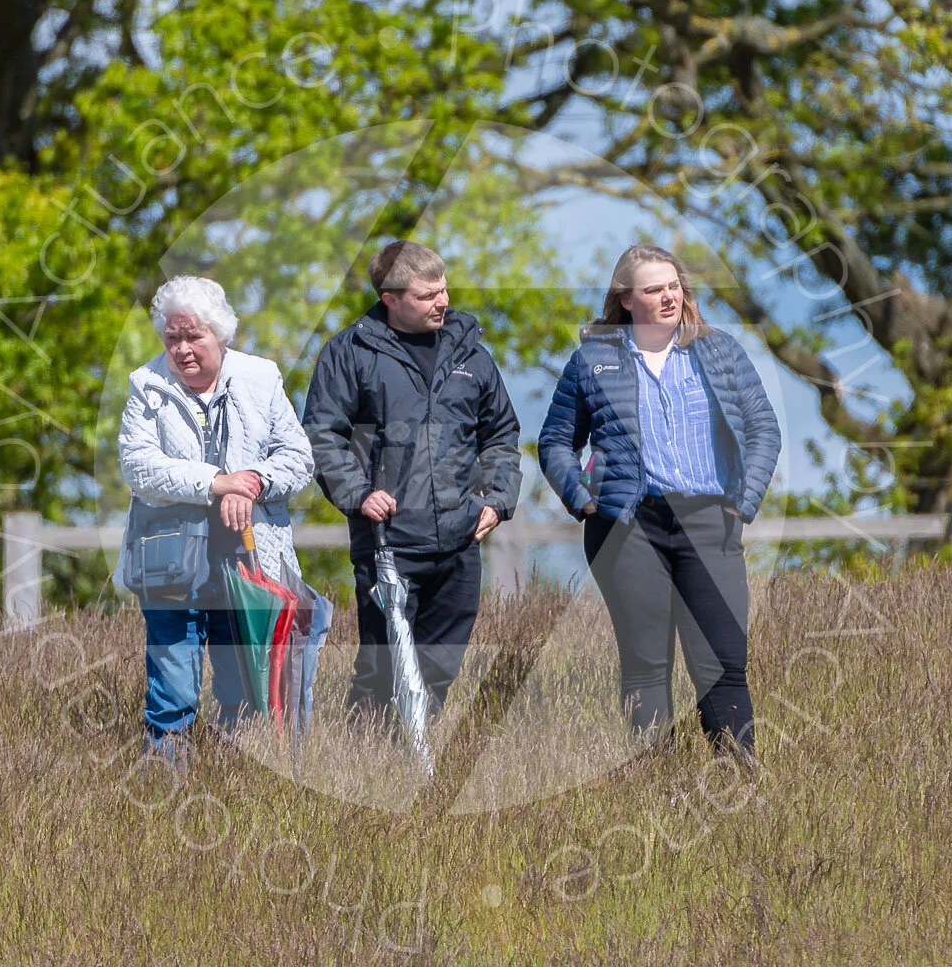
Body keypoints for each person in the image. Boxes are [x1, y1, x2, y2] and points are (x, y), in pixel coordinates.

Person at [537, 243, 781, 759]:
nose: (670, 296)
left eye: (675, 286)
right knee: (646, 665)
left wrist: (743, 501)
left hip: (710, 519)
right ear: (626, 299)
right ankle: (655, 782)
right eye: (654, 289)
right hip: (627, 525)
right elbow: (556, 440)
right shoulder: (592, 360)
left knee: (723, 661)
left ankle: (739, 778)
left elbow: (763, 427)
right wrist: (582, 500)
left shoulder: (719, 351)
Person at [302, 240, 522, 718]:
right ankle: (365, 754)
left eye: (444, 290)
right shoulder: (349, 352)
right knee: (382, 672)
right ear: (391, 299)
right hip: (388, 540)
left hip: (460, 540)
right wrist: (358, 494)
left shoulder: (472, 355)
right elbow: (322, 436)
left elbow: (501, 433)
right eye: (427, 295)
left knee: (438, 671)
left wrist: (498, 498)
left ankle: (411, 754)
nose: (443, 301)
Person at [114, 275, 315, 750]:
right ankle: (162, 780)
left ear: (220, 335)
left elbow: (298, 458)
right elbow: (139, 466)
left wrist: (255, 482)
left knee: (244, 692)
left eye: (193, 336)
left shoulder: (261, 378)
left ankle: (231, 781)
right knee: (173, 694)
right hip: (169, 563)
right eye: (172, 338)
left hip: (247, 563)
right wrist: (217, 483)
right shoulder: (146, 385)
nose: (181, 349)